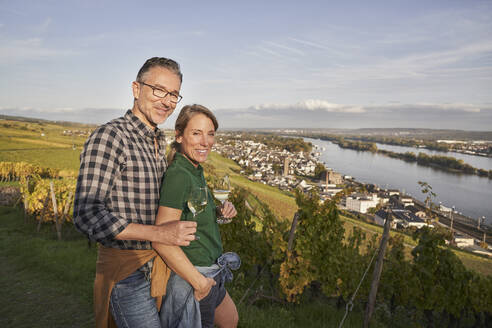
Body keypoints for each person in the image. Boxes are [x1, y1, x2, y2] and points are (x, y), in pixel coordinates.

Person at [73, 57, 215, 328]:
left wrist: (216, 211)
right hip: (126, 273)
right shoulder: (111, 136)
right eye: (158, 90)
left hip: (158, 268)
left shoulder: (155, 141)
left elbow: (166, 204)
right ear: (136, 89)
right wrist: (158, 233)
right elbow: (86, 214)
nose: (167, 101)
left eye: (173, 94)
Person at [156, 104, 239, 328]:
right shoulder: (179, 175)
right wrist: (199, 282)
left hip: (212, 271)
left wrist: (219, 213)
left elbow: (193, 215)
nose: (205, 142)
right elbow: (161, 238)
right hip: (195, 275)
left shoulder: (195, 169)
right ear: (179, 135)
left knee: (230, 320)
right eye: (196, 133)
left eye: (210, 134)